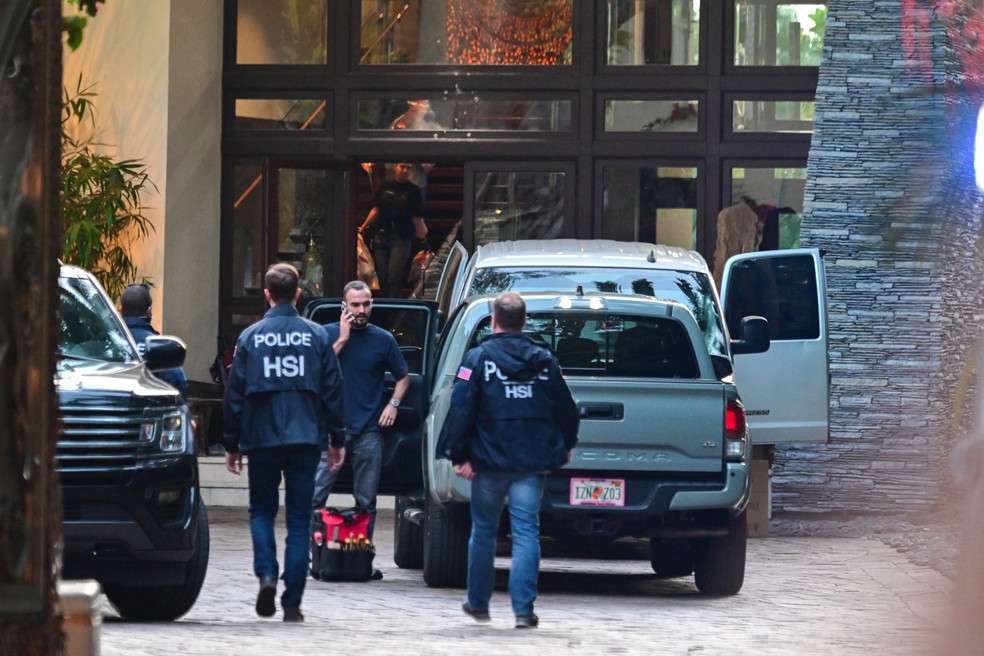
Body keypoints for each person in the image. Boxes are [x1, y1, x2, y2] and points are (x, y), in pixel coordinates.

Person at [436, 291, 580, 629]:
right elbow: (565, 408)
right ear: (524, 320)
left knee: (484, 530)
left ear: (494, 320)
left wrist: (458, 454)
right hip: (531, 463)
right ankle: (523, 610)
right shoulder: (545, 360)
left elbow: (461, 408)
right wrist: (565, 444)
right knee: (527, 531)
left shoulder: (478, 359)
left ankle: (478, 603)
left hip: (488, 462)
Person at [222, 263, 345, 622]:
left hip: (261, 438)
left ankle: (266, 573)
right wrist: (338, 438)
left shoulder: (250, 337)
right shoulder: (318, 336)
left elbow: (235, 395)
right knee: (299, 517)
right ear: (297, 293)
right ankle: (293, 601)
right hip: (306, 437)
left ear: (266, 295)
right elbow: (332, 392)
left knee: (261, 510)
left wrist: (231, 442)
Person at [311, 280, 410, 579]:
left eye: (366, 304)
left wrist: (392, 404)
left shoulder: (383, 340)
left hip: (368, 431)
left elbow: (404, 377)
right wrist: (341, 339)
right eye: (355, 304)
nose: (362, 310)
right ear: (344, 305)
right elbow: (315, 371)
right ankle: (312, 557)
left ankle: (361, 558)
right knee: (314, 497)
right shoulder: (326, 334)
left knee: (366, 501)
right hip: (330, 431)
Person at [358, 162, 428, 298]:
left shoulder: (413, 191)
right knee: (382, 277)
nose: (405, 170)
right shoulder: (386, 187)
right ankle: (385, 308)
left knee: (394, 275)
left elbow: (417, 218)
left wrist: (422, 237)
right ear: (396, 167)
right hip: (382, 235)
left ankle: (395, 309)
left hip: (401, 237)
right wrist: (364, 226)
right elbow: (376, 209)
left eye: (408, 168)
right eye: (402, 166)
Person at [120, 283, 189, 399]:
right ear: (149, 312)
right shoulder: (156, 346)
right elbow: (178, 382)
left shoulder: (106, 343)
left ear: (121, 311)